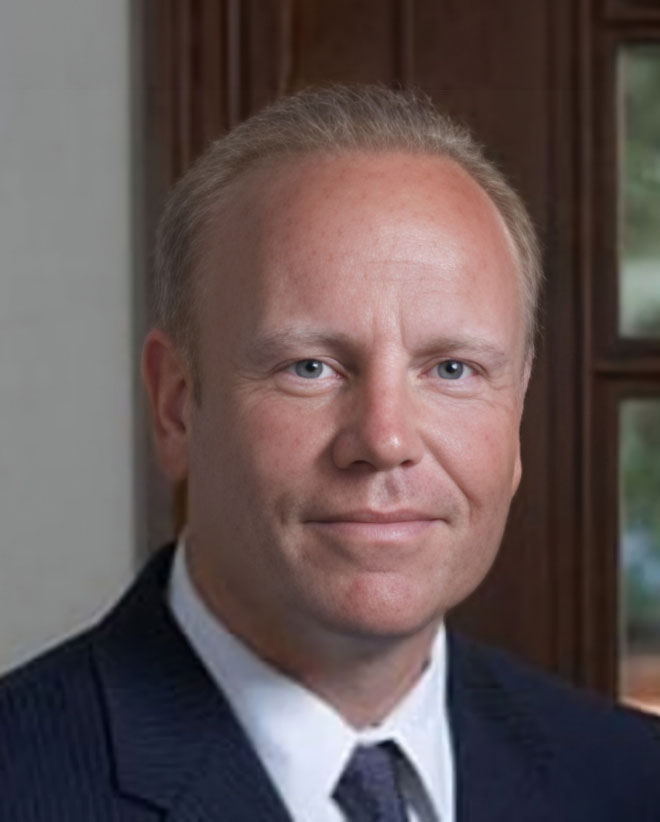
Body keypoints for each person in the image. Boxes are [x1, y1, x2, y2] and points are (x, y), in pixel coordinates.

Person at [0, 85, 658, 821]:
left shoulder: (631, 780)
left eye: (451, 370)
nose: (385, 441)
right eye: (309, 368)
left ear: (518, 413)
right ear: (177, 404)